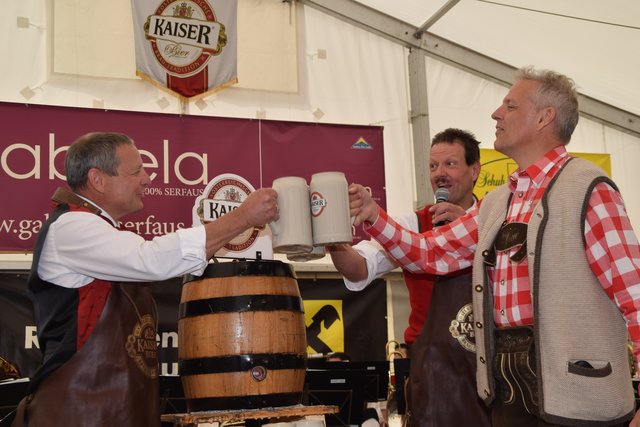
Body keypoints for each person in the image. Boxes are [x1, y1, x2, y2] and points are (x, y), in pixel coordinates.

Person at [348, 66, 640, 427]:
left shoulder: (590, 189)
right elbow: (431, 253)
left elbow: (635, 295)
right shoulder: (501, 200)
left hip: (580, 404)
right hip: (509, 396)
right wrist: (374, 216)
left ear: (545, 118)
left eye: (510, 106)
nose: (495, 114)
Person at [9, 132, 279, 427]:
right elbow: (151, 261)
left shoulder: (104, 232)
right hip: (78, 416)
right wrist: (242, 217)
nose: (148, 179)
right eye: (137, 171)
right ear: (98, 179)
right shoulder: (71, 227)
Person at [328, 128, 491, 426]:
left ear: (475, 170)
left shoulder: (495, 218)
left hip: (490, 364)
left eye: (450, 164)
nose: (439, 173)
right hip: (431, 369)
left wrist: (469, 230)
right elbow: (359, 267)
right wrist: (333, 239)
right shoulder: (412, 224)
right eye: (433, 166)